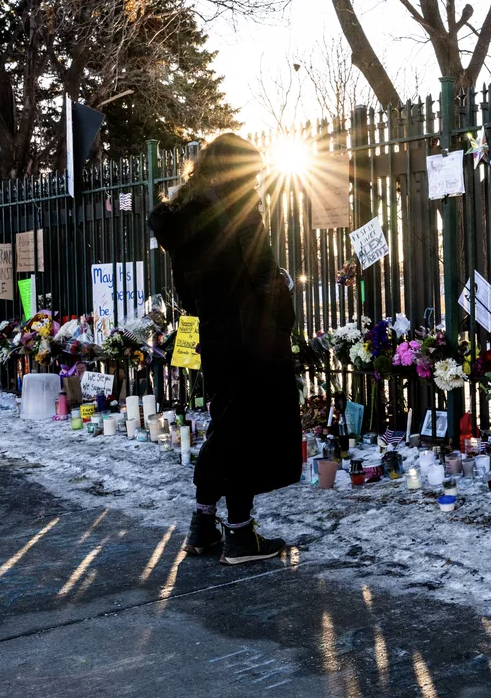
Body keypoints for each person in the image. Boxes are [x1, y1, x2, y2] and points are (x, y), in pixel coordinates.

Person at [149, 133, 299, 565]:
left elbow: (186, 296)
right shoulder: (240, 207)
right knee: (245, 432)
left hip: (215, 333)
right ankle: (237, 536)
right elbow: (263, 271)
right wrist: (282, 303)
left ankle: (204, 525)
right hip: (252, 334)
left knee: (227, 426)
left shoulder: (181, 218)